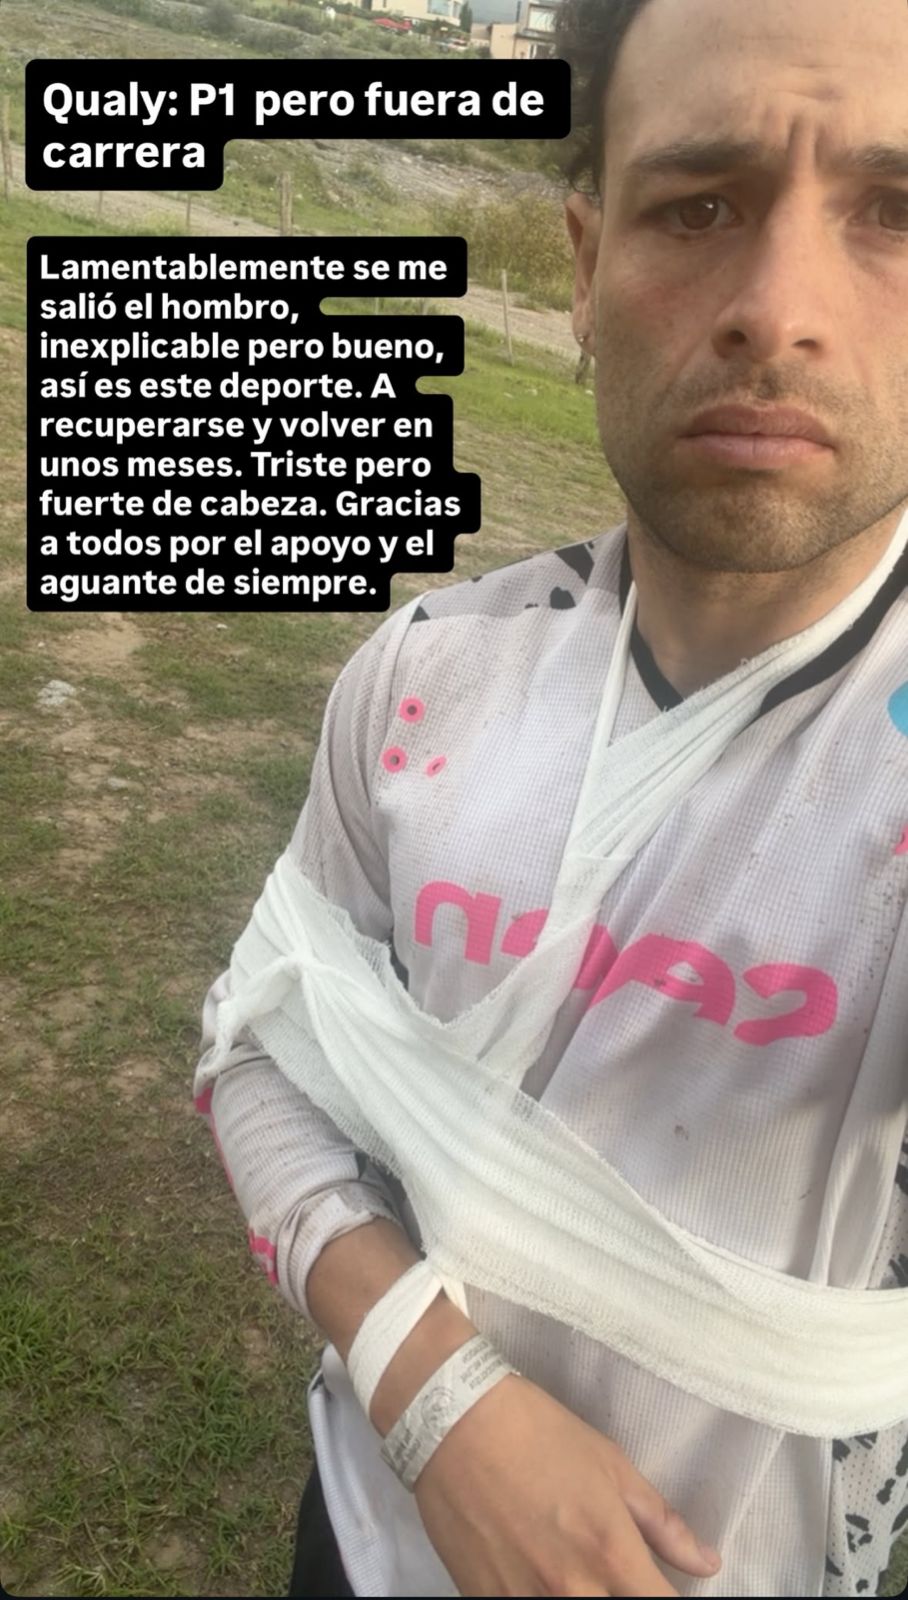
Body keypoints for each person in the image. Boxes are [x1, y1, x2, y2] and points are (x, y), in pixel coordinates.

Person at [192, 0, 908, 1593]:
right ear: (583, 268)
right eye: (698, 206)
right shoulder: (425, 674)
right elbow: (255, 1048)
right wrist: (435, 1400)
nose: (778, 311)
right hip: (363, 1532)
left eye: (894, 213)